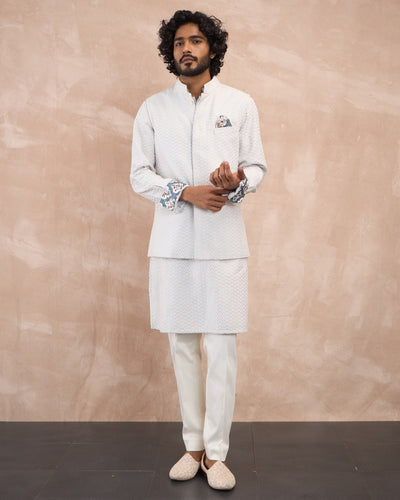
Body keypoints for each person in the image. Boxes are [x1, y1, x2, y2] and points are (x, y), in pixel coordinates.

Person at [130, 9, 266, 491]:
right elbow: (139, 174)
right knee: (183, 347)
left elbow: (257, 165)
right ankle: (192, 447)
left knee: (222, 349)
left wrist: (236, 183)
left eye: (196, 41)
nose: (186, 49)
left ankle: (217, 454)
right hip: (171, 246)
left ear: (212, 48)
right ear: (171, 51)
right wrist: (184, 192)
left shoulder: (239, 104)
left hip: (224, 244)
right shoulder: (153, 109)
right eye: (179, 42)